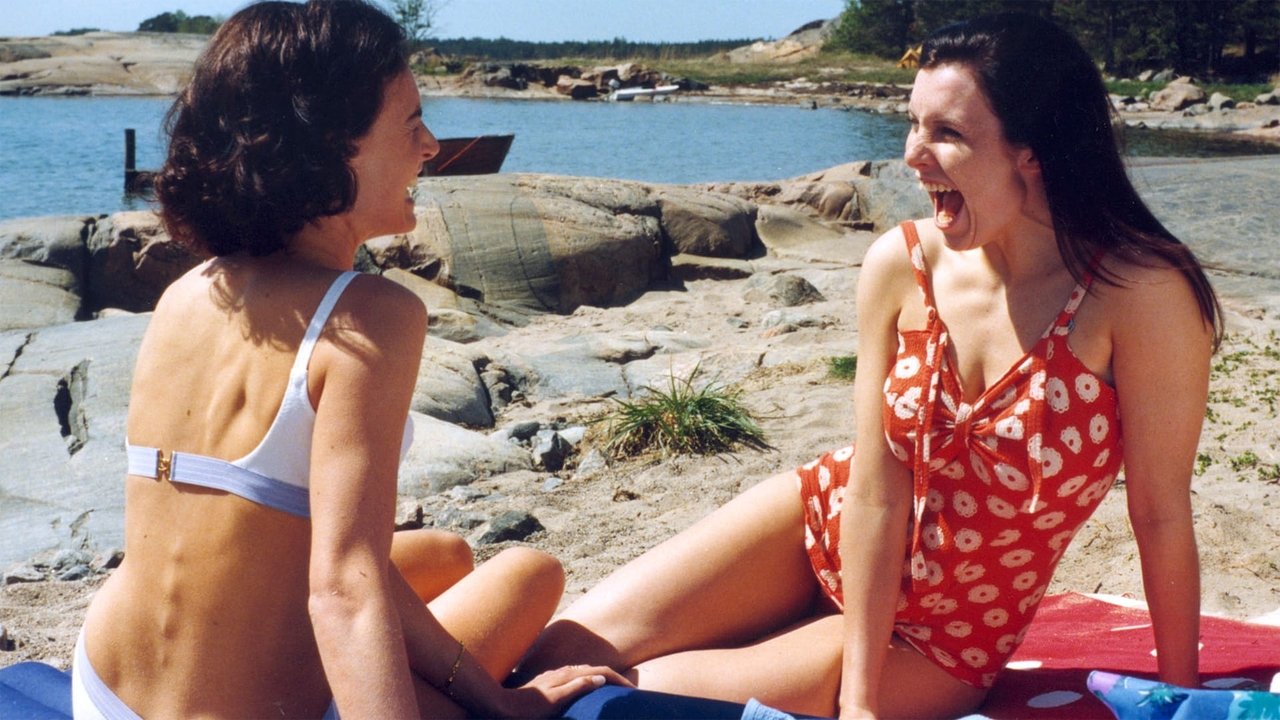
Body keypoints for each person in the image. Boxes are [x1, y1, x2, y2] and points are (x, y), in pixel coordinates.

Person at [520, 12, 1220, 719]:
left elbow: (1159, 513)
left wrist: (1182, 695)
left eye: (946, 134)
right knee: (550, 660)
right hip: (821, 525)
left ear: (1031, 151)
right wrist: (857, 704)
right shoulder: (902, 262)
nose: (914, 155)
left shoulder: (1140, 294)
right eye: (912, 124)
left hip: (942, 638)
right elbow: (878, 487)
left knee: (604, 701)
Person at [73, 2, 624, 718]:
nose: (430, 146)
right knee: (527, 572)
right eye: (410, 123)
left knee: (448, 555)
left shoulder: (189, 291)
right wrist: (498, 706)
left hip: (106, 688)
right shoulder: (371, 316)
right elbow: (342, 591)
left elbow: (286, 538)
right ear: (330, 147)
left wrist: (478, 690)